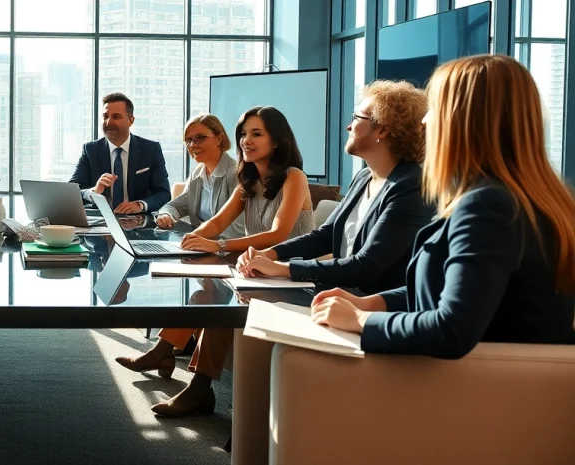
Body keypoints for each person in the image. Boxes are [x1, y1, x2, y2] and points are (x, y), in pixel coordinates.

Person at [311, 55, 575, 357]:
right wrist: (370, 303)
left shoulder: (488, 207)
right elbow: (453, 292)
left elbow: (451, 329)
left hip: (479, 390)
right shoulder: (521, 198)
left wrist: (360, 319)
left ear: (463, 121)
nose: (424, 121)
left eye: (434, 109)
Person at [116, 106, 314, 416]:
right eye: (243, 134)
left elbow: (279, 235)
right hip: (255, 272)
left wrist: (217, 243)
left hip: (291, 276)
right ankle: (180, 369)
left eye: (256, 134)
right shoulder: (247, 180)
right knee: (210, 298)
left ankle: (193, 383)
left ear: (277, 141)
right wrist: (192, 240)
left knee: (218, 302)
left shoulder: (294, 177)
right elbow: (217, 223)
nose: (246, 140)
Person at [237, 80, 434, 295]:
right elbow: (326, 236)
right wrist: (269, 254)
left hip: (371, 309)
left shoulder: (411, 187)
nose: (349, 126)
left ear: (382, 130)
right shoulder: (364, 177)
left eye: (357, 118)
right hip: (338, 295)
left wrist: (282, 269)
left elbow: (364, 266)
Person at [70, 92, 171, 214]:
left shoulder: (150, 149)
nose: (108, 122)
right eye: (105, 116)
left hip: (138, 222)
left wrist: (140, 205)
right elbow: (71, 192)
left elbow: (163, 193)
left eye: (116, 117)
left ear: (131, 120)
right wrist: (94, 191)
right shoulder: (90, 150)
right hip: (100, 221)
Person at [155, 113, 246, 239]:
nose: (192, 145)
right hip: (203, 245)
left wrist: (202, 238)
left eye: (201, 138)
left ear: (219, 139)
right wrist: (166, 215)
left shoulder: (235, 174)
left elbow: (238, 230)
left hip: (227, 249)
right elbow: (174, 206)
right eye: (188, 140)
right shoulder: (198, 174)